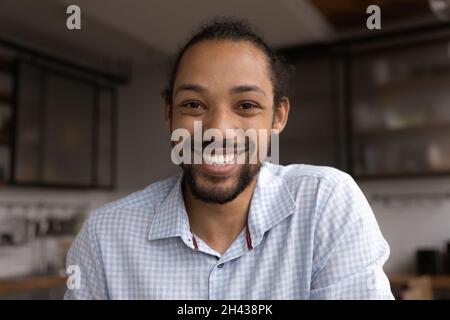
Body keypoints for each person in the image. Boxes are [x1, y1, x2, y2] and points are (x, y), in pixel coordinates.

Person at [64, 17, 394, 299]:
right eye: (193, 105)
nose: (218, 130)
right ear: (169, 113)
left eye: (246, 106)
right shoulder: (104, 236)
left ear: (278, 117)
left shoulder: (325, 202)